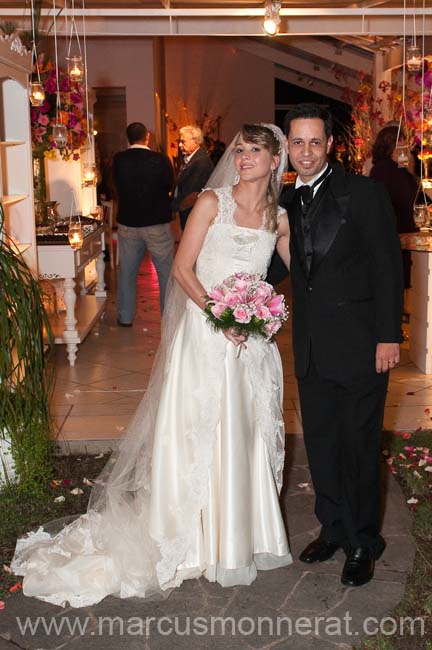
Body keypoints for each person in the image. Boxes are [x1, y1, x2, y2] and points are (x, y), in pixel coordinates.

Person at [11, 124, 292, 607]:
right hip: (206, 337)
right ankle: (187, 534)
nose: (244, 158)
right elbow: (183, 268)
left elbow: (305, 274)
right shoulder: (211, 202)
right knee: (197, 432)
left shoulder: (280, 218)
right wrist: (220, 314)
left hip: (250, 345)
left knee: (244, 433)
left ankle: (239, 534)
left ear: (275, 162)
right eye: (240, 150)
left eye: (255, 151)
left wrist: (265, 312)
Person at [279, 103, 403, 587]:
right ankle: (332, 528)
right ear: (286, 147)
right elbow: (282, 268)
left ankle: (364, 542)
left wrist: (388, 336)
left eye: (314, 142)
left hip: (361, 345)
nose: (305, 152)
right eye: (297, 143)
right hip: (311, 347)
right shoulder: (285, 201)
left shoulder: (365, 193)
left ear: (330, 145)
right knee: (324, 444)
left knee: (359, 447)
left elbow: (386, 268)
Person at [113, 122, 174, 324]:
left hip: (128, 222)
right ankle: (168, 316)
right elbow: (169, 185)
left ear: (127, 138)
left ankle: (125, 317)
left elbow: (114, 185)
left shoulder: (119, 160)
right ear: (147, 137)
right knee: (166, 271)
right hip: (156, 222)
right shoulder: (160, 160)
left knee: (127, 272)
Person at [369, 125, 418, 290]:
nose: (405, 146)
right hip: (394, 237)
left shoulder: (389, 169)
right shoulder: (386, 170)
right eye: (401, 142)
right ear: (391, 145)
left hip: (395, 237)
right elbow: (408, 199)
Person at [173, 125, 214, 230]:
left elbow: (193, 194)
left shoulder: (201, 162)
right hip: (189, 213)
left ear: (195, 142)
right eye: (179, 142)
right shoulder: (192, 159)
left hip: (193, 214)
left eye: (183, 142)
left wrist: (175, 207)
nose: (180, 145)